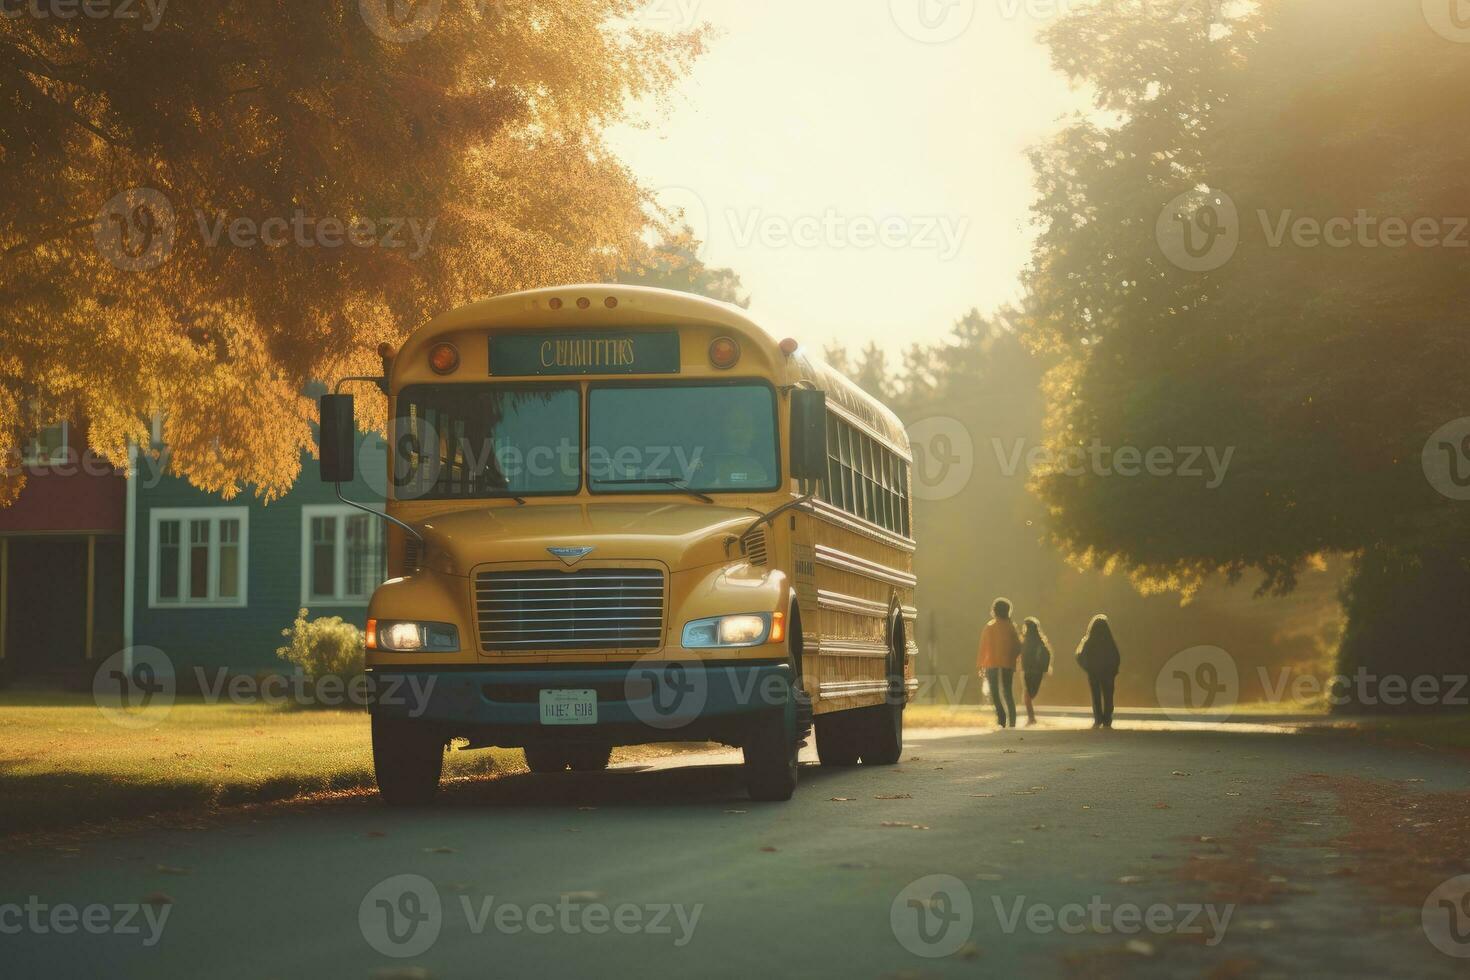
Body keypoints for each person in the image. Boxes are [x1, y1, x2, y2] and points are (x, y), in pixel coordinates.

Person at [977, 598, 1022, 728]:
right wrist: (1014, 659)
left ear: (994, 610)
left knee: (995, 693)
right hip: (1007, 664)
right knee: (1008, 692)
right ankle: (1012, 721)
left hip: (992, 664)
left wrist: (980, 664)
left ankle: (1001, 719)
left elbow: (983, 647)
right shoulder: (1011, 627)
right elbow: (1018, 647)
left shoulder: (990, 627)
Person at [1075, 615, 1121, 729]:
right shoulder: (1110, 642)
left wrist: (1087, 668)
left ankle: (1098, 719)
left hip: (1094, 673)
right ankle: (1107, 720)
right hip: (1108, 674)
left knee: (1096, 697)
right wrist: (1114, 670)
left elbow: (1079, 656)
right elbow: (1116, 657)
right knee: (1108, 696)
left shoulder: (1089, 641)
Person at [1019, 617, 1052, 726]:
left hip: (1028, 671)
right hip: (1038, 672)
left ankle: (1031, 717)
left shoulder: (1025, 641)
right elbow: (1047, 654)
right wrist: (1045, 669)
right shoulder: (1040, 641)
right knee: (1030, 694)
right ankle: (1031, 717)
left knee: (1027, 695)